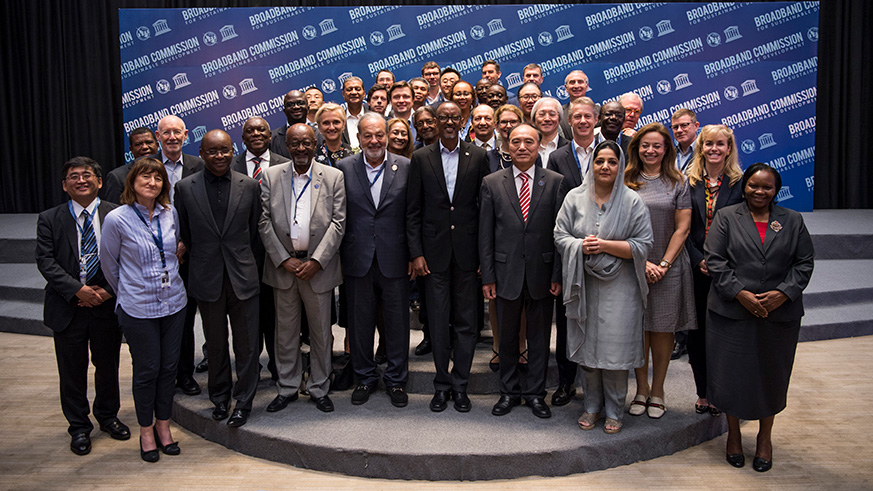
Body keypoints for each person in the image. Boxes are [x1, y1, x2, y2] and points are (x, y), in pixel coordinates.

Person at [704, 163, 814, 472]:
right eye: (754, 185)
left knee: (772, 376)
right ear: (745, 186)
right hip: (731, 311)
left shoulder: (792, 220)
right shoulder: (727, 217)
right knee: (731, 375)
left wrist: (783, 293)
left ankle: (765, 438)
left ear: (776, 190)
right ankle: (734, 436)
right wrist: (740, 293)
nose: (759, 191)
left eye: (767, 187)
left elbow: (804, 263)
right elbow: (715, 260)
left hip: (778, 315)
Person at [554, 140, 653, 434]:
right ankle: (591, 407)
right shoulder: (574, 197)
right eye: (600, 161)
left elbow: (644, 245)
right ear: (592, 165)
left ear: (620, 166)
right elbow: (560, 235)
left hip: (621, 289)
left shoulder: (633, 201)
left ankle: (614, 410)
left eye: (612, 161)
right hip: (582, 283)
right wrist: (580, 247)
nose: (605, 167)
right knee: (588, 350)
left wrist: (605, 246)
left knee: (614, 352)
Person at [36, 157, 129, 456]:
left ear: (99, 182)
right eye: (73, 177)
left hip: (105, 305)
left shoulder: (117, 214)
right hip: (67, 307)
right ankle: (78, 426)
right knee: (72, 371)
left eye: (87, 175)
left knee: (107, 366)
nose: (81, 180)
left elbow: (126, 257)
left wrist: (104, 291)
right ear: (65, 186)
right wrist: (78, 289)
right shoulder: (49, 218)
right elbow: (46, 261)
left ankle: (108, 416)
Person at [100, 158, 187, 462]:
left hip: (174, 302)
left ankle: (164, 427)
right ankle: (146, 430)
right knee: (147, 370)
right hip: (138, 307)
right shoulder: (116, 219)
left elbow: (176, 251)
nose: (152, 182)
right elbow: (110, 267)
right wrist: (131, 289)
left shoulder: (169, 212)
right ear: (132, 182)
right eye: (145, 177)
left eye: (158, 178)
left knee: (167, 369)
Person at [175, 130, 262, 428]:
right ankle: (220, 398)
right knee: (215, 343)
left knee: (247, 345)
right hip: (206, 276)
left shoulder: (249, 186)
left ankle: (245, 400)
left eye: (225, 150)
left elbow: (253, 233)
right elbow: (186, 233)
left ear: (232, 150)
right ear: (201, 152)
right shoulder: (184, 188)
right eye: (212, 151)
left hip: (243, 276)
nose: (219, 156)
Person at [407, 101, 490, 413]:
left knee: (467, 322)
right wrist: (416, 253)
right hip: (433, 255)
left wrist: (485, 255)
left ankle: (461, 384)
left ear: (463, 119)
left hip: (468, 255)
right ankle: (441, 384)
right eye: (444, 118)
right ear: (435, 121)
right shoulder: (421, 157)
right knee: (439, 322)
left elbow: (485, 210)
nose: (450, 122)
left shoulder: (479, 156)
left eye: (456, 117)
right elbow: (413, 210)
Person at [480, 123, 567, 419]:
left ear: (539, 145)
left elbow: (560, 233)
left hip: (543, 273)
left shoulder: (555, 181)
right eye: (515, 141)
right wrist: (488, 276)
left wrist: (557, 274)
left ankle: (534, 393)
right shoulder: (492, 182)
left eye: (529, 142)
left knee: (540, 337)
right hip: (505, 273)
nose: (522, 147)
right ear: (507, 145)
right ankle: (508, 392)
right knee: (506, 336)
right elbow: (485, 234)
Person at [259, 123, 346, 414]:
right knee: (285, 333)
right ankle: (287, 387)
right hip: (283, 266)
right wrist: (283, 259)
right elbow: (264, 222)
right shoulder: (271, 176)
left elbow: (338, 223)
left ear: (315, 144)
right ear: (286, 145)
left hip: (318, 268)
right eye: (294, 143)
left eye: (306, 143)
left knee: (321, 332)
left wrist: (317, 261)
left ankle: (320, 386)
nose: (300, 149)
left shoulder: (333, 176)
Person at [338, 113, 412, 407]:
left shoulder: (405, 166)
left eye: (379, 135)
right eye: (367, 135)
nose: (374, 141)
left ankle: (396, 380)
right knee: (360, 323)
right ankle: (365, 377)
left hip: (395, 257)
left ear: (387, 136)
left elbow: (412, 214)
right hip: (357, 258)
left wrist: (413, 254)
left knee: (397, 323)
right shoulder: (343, 168)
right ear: (358, 138)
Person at [624, 123, 696, 419]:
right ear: (636, 148)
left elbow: (683, 228)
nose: (650, 150)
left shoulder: (678, 181)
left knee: (663, 329)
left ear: (666, 149)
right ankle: (641, 389)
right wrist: (642, 262)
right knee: (639, 328)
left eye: (657, 146)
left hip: (669, 266)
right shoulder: (625, 180)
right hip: (632, 264)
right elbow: (617, 226)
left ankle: (658, 390)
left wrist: (663, 264)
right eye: (645, 145)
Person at [684, 124, 744, 417]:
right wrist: (698, 259)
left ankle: (722, 391)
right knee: (697, 335)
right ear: (701, 147)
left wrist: (720, 262)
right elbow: (680, 228)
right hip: (696, 269)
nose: (714, 149)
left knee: (723, 334)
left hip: (728, 270)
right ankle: (703, 392)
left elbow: (748, 230)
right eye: (709, 144)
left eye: (720, 144)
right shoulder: (688, 181)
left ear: (729, 148)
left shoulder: (742, 184)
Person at [544, 96, 599, 406]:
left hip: (606, 249)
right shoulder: (558, 157)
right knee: (568, 321)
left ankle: (598, 385)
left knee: (601, 320)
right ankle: (566, 382)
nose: (581, 121)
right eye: (576, 117)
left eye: (587, 117)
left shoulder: (610, 153)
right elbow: (555, 211)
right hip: (570, 250)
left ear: (595, 119)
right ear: (570, 120)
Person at [232, 117, 289, 382]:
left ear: (270, 136)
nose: (255, 133)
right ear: (242, 138)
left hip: (278, 254)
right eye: (249, 131)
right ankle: (250, 371)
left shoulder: (285, 164)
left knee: (277, 317)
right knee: (246, 319)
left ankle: (281, 370)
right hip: (240, 255)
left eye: (261, 130)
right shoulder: (228, 165)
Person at [103, 127, 159, 203]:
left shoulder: (166, 169)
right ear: (131, 149)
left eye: (149, 142)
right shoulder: (117, 176)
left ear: (157, 145)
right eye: (138, 144)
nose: (145, 147)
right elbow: (113, 208)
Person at [531, 97, 568, 167]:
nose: (547, 118)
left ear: (559, 118)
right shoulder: (526, 147)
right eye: (541, 114)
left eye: (552, 114)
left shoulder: (570, 148)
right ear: (534, 118)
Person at [270, 90, 308, 158]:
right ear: (284, 111)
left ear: (308, 108)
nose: (296, 107)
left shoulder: (320, 134)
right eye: (291, 104)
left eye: (300, 103)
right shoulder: (272, 138)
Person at [488, 104, 523, 173]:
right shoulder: (489, 157)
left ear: (520, 124)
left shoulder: (531, 155)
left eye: (513, 122)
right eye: (504, 122)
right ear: (496, 126)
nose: (509, 126)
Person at [559, 70, 589, 140]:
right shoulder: (559, 113)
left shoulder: (598, 111)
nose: (576, 85)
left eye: (580, 82)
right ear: (566, 87)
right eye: (572, 82)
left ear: (586, 86)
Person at [341, 77, 367, 149]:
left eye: (357, 89)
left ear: (364, 93)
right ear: (343, 94)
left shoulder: (373, 117)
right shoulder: (339, 119)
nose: (354, 92)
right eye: (349, 90)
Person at [671, 108, 700, 173]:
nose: (679, 130)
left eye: (684, 125)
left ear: (696, 126)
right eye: (675, 127)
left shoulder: (705, 151)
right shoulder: (669, 155)